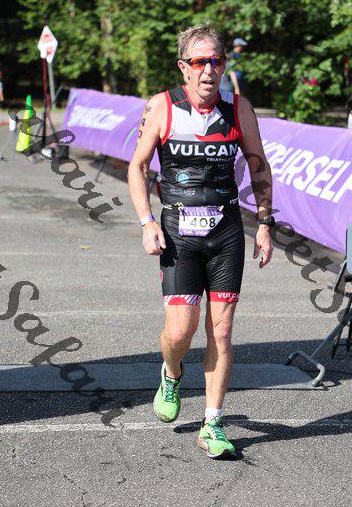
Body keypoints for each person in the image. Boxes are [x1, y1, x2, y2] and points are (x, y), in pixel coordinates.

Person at [128, 24, 273, 459]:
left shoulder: (239, 108)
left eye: (217, 61)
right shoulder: (162, 106)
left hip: (225, 232)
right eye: (200, 62)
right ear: (183, 67)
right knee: (180, 331)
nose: (209, 70)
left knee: (221, 331)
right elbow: (138, 167)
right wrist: (146, 222)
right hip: (177, 232)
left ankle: (213, 423)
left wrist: (265, 223)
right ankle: (172, 372)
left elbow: (259, 165)